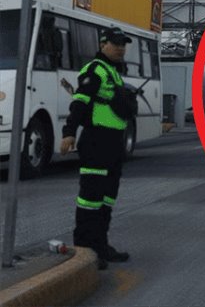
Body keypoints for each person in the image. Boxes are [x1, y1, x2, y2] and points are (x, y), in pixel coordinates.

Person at [60, 27, 137, 270]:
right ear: (103, 45)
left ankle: (101, 246)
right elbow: (80, 102)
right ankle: (84, 251)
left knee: (106, 198)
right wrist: (69, 133)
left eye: (123, 44)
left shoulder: (113, 72)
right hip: (96, 141)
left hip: (113, 144)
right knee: (90, 199)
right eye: (115, 44)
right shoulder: (94, 70)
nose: (121, 48)